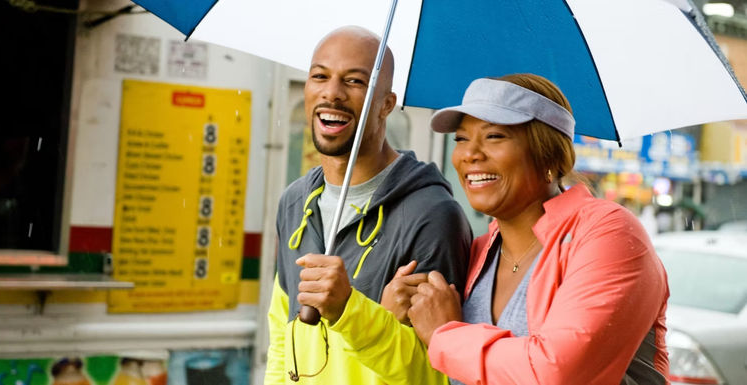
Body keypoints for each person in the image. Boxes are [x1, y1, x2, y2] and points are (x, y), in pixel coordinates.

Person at [383, 74, 670, 384]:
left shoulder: (609, 233)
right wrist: (388, 323)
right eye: (462, 138)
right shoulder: (479, 252)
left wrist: (444, 334)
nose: (470, 154)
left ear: (549, 154)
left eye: (494, 136)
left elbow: (557, 373)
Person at [265, 26, 472, 385]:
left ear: (387, 104)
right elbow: (282, 340)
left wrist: (349, 308)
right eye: (319, 76)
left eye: (355, 81)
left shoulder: (431, 215)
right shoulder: (295, 202)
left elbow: (436, 374)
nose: (332, 93)